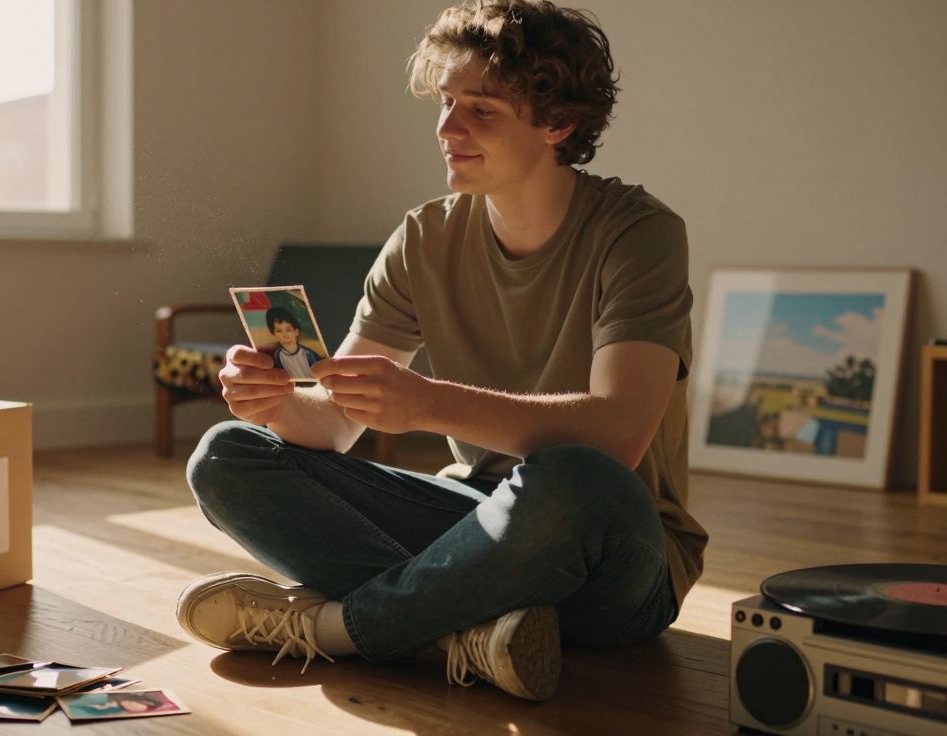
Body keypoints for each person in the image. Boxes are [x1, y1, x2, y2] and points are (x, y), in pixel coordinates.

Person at [176, 0, 709, 702]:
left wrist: (425, 404)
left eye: (480, 110)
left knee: (575, 476)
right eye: (446, 103)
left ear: (557, 123)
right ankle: (465, 631)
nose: (447, 128)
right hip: (473, 521)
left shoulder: (638, 234)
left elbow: (618, 437)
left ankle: (339, 629)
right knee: (226, 454)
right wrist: (274, 404)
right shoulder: (424, 239)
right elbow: (334, 423)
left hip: (612, 554)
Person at [265, 306, 320, 380]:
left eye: (288, 330)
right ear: (273, 334)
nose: (285, 335)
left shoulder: (307, 354)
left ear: (296, 332)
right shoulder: (277, 356)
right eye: (279, 331)